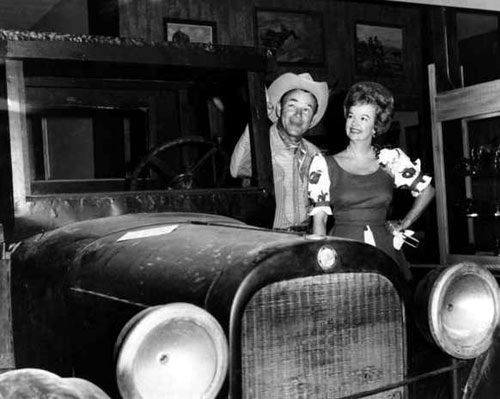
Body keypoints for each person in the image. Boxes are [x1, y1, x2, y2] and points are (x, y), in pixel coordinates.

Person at [308, 81, 435, 280]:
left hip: (385, 250)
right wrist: (320, 264)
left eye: (363, 118)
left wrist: (405, 222)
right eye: (351, 116)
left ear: (376, 125)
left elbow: (427, 191)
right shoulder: (323, 165)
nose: (354, 123)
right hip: (343, 249)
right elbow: (320, 220)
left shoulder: (390, 160)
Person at [230, 72, 329, 230]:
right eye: (292, 106)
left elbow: (320, 204)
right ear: (278, 108)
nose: (298, 115)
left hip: (304, 238)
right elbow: (237, 170)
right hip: (268, 237)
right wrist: (257, 119)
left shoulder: (314, 154)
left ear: (312, 120)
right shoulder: (261, 143)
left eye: (306, 110)